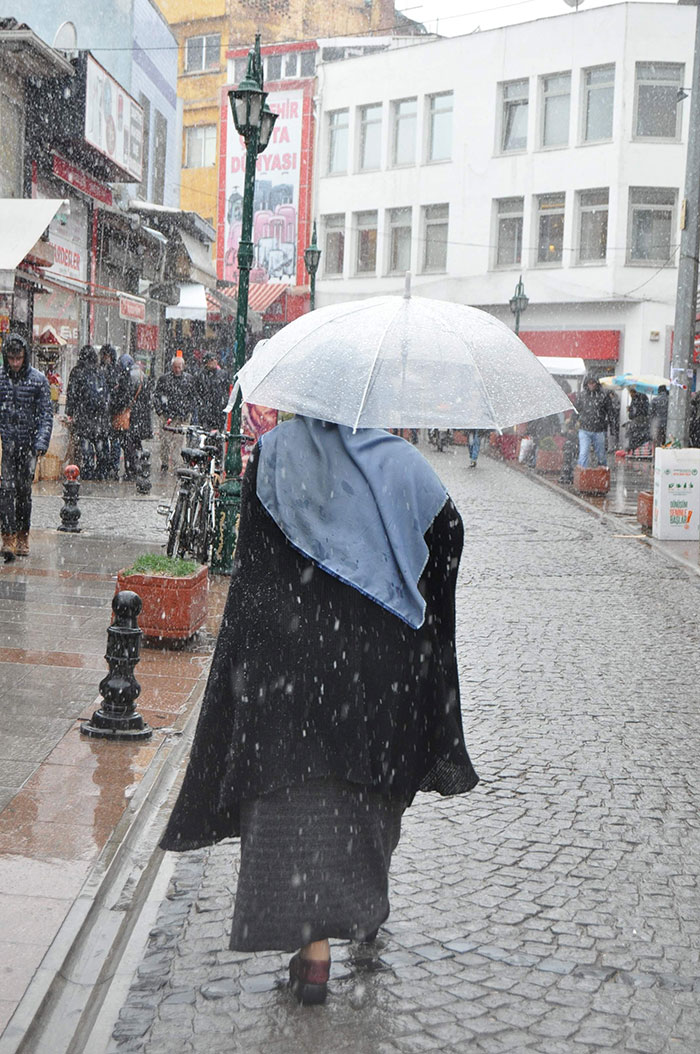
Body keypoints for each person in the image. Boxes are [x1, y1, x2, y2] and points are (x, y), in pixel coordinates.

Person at [160, 416, 479, 1005]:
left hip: (294, 658)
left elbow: (251, 567)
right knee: (368, 788)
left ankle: (312, 953)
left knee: (294, 789)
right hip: (381, 665)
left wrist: (253, 660)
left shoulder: (275, 455)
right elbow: (449, 539)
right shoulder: (405, 466)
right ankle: (362, 908)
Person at [0, 333, 53, 560]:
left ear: (25, 357)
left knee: (23, 492)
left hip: (28, 446)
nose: (15, 363)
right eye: (11, 359)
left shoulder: (38, 380)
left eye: (18, 358)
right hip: (8, 445)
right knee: (6, 491)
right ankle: (8, 537)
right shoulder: (1, 379)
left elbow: (45, 415)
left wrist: (41, 442)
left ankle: (22, 534)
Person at [65, 345, 110, 480]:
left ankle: (88, 468)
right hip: (99, 415)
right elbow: (106, 393)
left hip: (83, 412)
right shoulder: (99, 371)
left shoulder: (77, 371)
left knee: (85, 442)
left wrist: (70, 411)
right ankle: (102, 470)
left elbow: (71, 393)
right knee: (99, 442)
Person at [153, 356, 196, 473]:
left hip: (182, 416)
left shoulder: (189, 380)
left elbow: (193, 397)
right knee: (165, 441)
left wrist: (188, 411)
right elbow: (156, 396)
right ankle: (165, 463)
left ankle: (177, 464)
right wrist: (160, 412)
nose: (177, 370)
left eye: (179, 367)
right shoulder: (164, 379)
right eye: (175, 367)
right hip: (168, 416)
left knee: (179, 442)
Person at [576, 375, 616, 468]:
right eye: (590, 383)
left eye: (593, 383)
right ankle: (583, 473)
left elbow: (610, 413)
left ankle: (601, 472)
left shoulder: (603, 396)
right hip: (585, 428)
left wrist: (612, 428)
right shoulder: (582, 396)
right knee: (584, 452)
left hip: (599, 429)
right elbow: (577, 410)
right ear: (586, 384)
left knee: (601, 454)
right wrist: (572, 423)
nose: (591, 385)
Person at [100, 344, 122, 480]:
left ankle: (112, 466)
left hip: (111, 410)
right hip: (106, 410)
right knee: (109, 440)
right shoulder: (110, 370)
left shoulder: (113, 370)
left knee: (114, 440)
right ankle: (110, 466)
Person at [194, 351, 229, 431]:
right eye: (212, 360)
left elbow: (225, 391)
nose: (215, 362)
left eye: (215, 359)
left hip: (219, 410)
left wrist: (223, 403)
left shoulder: (223, 374)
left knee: (219, 433)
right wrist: (202, 404)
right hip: (206, 410)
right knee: (204, 432)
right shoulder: (200, 375)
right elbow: (196, 392)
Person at [627, 387, 651, 454]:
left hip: (638, 421)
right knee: (640, 436)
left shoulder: (638, 398)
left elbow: (637, 411)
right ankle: (636, 451)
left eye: (630, 393)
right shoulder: (641, 398)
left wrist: (632, 410)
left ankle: (634, 450)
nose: (630, 394)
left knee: (634, 436)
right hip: (641, 421)